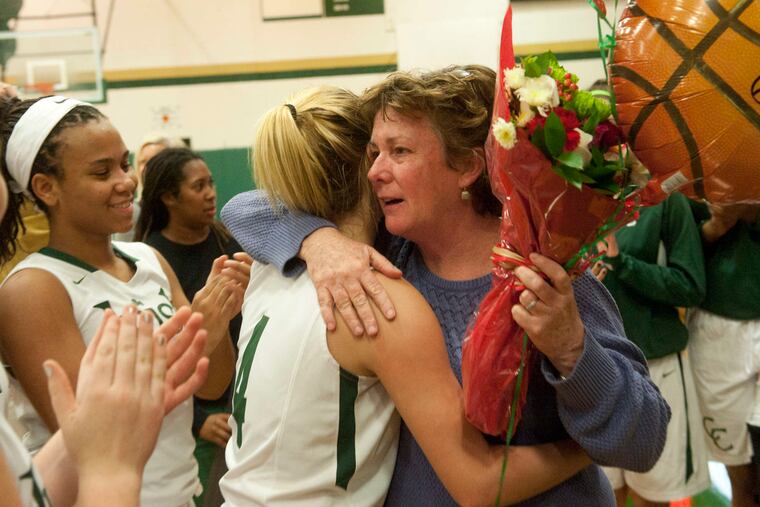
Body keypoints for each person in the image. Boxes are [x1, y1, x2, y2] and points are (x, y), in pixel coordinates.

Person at [221, 68, 670, 505]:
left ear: (468, 168)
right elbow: (244, 207)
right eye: (372, 152)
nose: (375, 171)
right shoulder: (387, 252)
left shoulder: (545, 271)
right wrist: (318, 240)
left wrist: (571, 348)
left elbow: (644, 440)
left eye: (399, 151)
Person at [0, 94, 249, 507]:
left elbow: (211, 385)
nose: (127, 182)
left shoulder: (148, 258)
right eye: (102, 172)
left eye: (124, 163)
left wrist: (215, 322)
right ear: (46, 188)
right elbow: (91, 432)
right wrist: (193, 331)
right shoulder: (33, 287)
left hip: (183, 492)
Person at [136, 147, 244, 507]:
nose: (211, 192)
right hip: (194, 410)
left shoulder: (229, 242)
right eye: (199, 186)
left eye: (211, 182)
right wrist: (199, 419)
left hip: (242, 393)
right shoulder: (149, 259)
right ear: (169, 197)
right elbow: (167, 350)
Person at [597, 191, 711, 506]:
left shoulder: (666, 201)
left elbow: (690, 285)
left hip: (656, 372)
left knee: (653, 498)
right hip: (594, 373)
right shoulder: (583, 189)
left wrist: (623, 264)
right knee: (604, 495)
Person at [687, 200, 760, 507]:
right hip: (717, 326)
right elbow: (677, 251)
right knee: (739, 472)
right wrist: (717, 226)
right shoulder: (709, 158)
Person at [113, 132, 186, 242]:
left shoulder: (192, 209)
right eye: (142, 162)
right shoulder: (132, 212)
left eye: (154, 160)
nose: (146, 168)